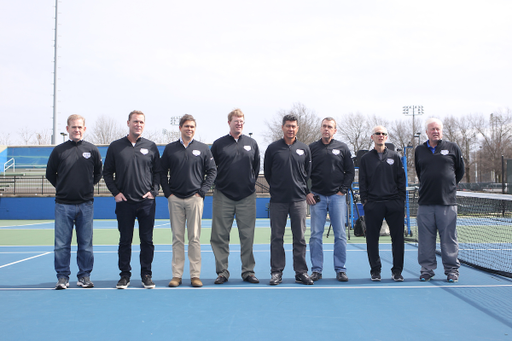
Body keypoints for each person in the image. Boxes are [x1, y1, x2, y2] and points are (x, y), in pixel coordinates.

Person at [103, 110, 161, 289]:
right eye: (135, 121)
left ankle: (146, 275)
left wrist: (154, 191)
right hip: (125, 203)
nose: (138, 125)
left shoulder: (151, 147)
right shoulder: (116, 146)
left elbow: (158, 172)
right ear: (128, 123)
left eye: (141, 122)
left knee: (147, 241)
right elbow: (107, 173)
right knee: (125, 240)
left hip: (146, 203)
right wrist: (116, 193)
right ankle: (124, 275)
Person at [46, 114, 102, 290]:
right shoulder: (58, 151)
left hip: (86, 204)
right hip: (63, 205)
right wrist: (63, 187)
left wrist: (86, 186)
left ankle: (84, 276)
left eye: (80, 127)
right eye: (73, 127)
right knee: (62, 245)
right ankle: (62, 277)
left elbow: (98, 173)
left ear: (84, 129)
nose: (76, 130)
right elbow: (50, 174)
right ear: (68, 129)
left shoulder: (92, 150)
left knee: (86, 244)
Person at [160, 114, 216, 288]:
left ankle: (195, 275)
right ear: (180, 128)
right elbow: (161, 172)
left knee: (194, 238)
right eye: (186, 126)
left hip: (195, 199)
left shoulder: (203, 148)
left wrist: (202, 191)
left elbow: (212, 171)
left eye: (192, 126)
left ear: (195, 128)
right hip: (175, 199)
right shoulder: (170, 149)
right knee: (177, 238)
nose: (189, 129)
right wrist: (168, 193)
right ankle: (176, 275)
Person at [210, 109, 260, 284]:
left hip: (247, 197)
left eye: (241, 121)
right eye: (236, 121)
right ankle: (222, 272)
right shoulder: (218, 144)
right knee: (220, 236)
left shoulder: (252, 143)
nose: (239, 123)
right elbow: (211, 168)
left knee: (247, 236)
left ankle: (248, 271)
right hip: (223, 195)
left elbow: (256, 166)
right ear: (229, 123)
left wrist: (249, 184)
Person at [264, 114, 313, 285]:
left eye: (293, 126)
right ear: (282, 127)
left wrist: (303, 190)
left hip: (299, 200)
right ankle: (276, 272)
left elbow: (307, 173)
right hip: (278, 200)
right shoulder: (272, 148)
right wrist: (278, 188)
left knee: (299, 237)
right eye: (288, 126)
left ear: (297, 128)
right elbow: (268, 173)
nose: (290, 129)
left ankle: (301, 272)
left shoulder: (304, 149)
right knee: (277, 237)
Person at [415, 118, 464, 282]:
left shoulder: (452, 148)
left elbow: (459, 171)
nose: (435, 131)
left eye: (438, 129)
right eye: (432, 129)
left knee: (449, 239)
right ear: (427, 132)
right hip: (425, 203)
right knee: (425, 240)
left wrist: (448, 185)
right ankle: (427, 270)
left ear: (441, 131)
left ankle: (451, 270)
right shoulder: (419, 150)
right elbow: (419, 171)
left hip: (447, 202)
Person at [306, 117, 354, 282]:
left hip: (337, 198)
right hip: (317, 197)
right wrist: (307, 192)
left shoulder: (342, 148)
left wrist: (343, 190)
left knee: (340, 234)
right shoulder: (311, 148)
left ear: (335, 130)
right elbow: (304, 173)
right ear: (320, 128)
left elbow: (350, 172)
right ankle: (316, 270)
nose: (326, 129)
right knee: (315, 235)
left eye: (330, 127)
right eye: (324, 126)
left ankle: (340, 269)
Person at [359, 126, 406, 282]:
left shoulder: (395, 157)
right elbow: (362, 182)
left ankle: (397, 271)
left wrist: (401, 202)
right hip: (373, 204)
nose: (380, 136)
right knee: (372, 239)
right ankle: (375, 270)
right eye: (377, 133)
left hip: (394, 204)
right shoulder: (366, 159)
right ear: (372, 137)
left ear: (386, 137)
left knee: (397, 238)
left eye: (383, 134)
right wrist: (365, 201)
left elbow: (401, 180)